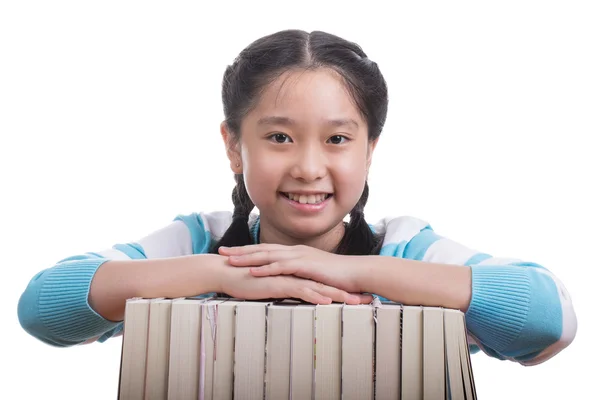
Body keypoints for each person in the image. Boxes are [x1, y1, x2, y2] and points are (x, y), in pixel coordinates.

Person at [18, 29, 576, 366]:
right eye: (279, 138)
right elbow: (43, 309)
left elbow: (546, 319)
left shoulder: (405, 248)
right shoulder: (199, 242)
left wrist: (356, 274)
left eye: (337, 139)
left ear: (370, 148)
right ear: (234, 146)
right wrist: (223, 274)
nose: (309, 168)